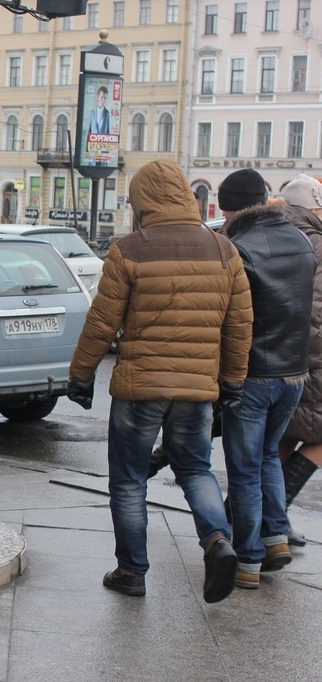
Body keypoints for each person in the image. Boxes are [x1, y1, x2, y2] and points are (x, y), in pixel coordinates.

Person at [67, 159, 252, 604]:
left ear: (143, 200)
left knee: (129, 480)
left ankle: (131, 571)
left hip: (139, 388)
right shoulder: (224, 249)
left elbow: (102, 321)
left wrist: (81, 374)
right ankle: (217, 541)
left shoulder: (131, 249)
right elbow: (240, 323)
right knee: (195, 469)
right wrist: (232, 381)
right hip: (197, 388)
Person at [217, 168, 315, 590]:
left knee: (243, 470)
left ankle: (249, 560)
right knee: (268, 458)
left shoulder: (238, 247)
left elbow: (231, 319)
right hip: (295, 373)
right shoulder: (299, 239)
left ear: (231, 208)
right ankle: (275, 538)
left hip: (255, 373)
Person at [277, 173, 322, 547]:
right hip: (313, 357)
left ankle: (262, 514)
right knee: (314, 436)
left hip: (272, 354)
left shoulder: (272, 235)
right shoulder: (317, 243)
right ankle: (274, 515)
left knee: (282, 437)